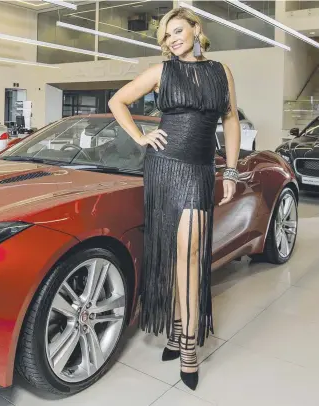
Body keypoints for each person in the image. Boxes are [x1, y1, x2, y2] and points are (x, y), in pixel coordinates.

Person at [108, 7, 240, 391]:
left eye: (178, 31)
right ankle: (183, 341)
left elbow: (230, 120)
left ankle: (183, 338)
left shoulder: (221, 71)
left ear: (197, 29)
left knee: (190, 255)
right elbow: (118, 101)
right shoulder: (161, 72)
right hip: (164, 168)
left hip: (199, 171)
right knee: (174, 253)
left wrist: (229, 170)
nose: (172, 40)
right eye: (166, 36)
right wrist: (140, 137)